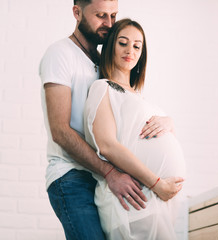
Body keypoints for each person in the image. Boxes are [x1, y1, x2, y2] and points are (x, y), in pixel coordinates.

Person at [39, 0, 179, 239]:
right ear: (77, 12)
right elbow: (60, 131)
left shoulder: (103, 63)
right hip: (72, 175)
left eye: (113, 15)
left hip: (101, 178)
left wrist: (167, 123)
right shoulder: (60, 53)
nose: (109, 24)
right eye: (101, 15)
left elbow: (125, 121)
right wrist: (111, 173)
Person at [83, 18, 187, 239]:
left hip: (156, 203)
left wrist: (169, 122)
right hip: (135, 201)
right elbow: (107, 145)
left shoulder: (140, 98)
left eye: (137, 46)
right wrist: (156, 183)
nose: (130, 50)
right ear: (111, 45)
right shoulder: (103, 87)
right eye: (123, 43)